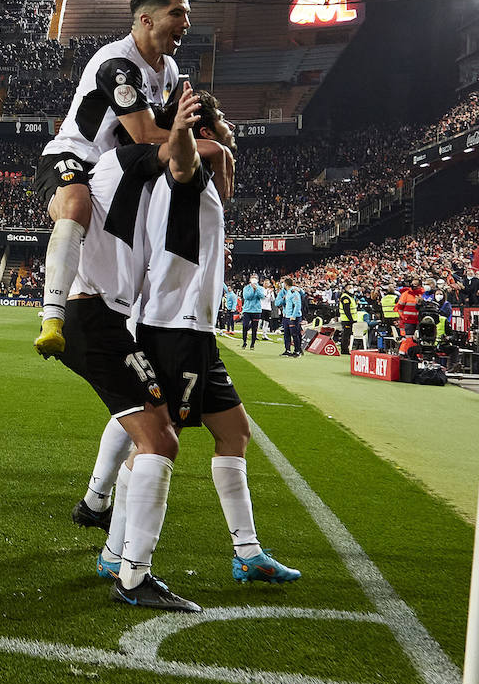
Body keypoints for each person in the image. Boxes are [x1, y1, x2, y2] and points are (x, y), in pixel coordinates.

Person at [95, 89, 299, 591]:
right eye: (221, 120)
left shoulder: (205, 168)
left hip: (195, 330)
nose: (229, 125)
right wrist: (184, 132)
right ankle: (118, 557)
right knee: (156, 445)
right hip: (174, 326)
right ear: (203, 129)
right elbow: (184, 164)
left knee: (235, 434)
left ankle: (247, 552)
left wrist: (213, 150)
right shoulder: (187, 171)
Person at [56, 82, 207, 613]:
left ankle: (114, 545)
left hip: (104, 316)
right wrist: (182, 133)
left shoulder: (122, 172)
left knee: (156, 428)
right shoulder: (128, 156)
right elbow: (176, 156)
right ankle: (133, 576)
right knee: (161, 442)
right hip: (95, 316)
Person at [32, 0, 233, 359]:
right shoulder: (117, 65)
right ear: (146, 19)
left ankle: (151, 323)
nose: (187, 22)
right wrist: (213, 149)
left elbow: (171, 135)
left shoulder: (170, 70)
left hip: (123, 171)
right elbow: (147, 133)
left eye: (187, 13)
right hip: (76, 157)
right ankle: (53, 319)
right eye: (178, 13)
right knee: (75, 206)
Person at [280, 280, 304, 357]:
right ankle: (288, 350)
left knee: (295, 334)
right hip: (287, 316)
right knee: (286, 334)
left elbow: (297, 305)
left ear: (285, 284)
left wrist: (293, 316)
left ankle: (297, 351)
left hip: (293, 317)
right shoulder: (288, 292)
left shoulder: (294, 292)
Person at [240, 275, 264, 349]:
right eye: (253, 278)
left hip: (256, 310)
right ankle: (244, 342)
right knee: (245, 326)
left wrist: (256, 289)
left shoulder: (260, 288)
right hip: (247, 310)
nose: (254, 279)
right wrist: (253, 290)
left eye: (256, 278)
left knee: (254, 328)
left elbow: (262, 296)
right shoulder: (246, 288)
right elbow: (247, 297)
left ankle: (252, 344)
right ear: (250, 279)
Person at [338, 286, 359, 355]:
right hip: (346, 320)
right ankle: (344, 350)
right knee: (346, 335)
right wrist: (351, 319)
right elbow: (346, 310)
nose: (351, 289)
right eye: (349, 287)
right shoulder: (345, 297)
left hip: (350, 319)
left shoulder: (350, 297)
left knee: (348, 335)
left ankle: (345, 348)